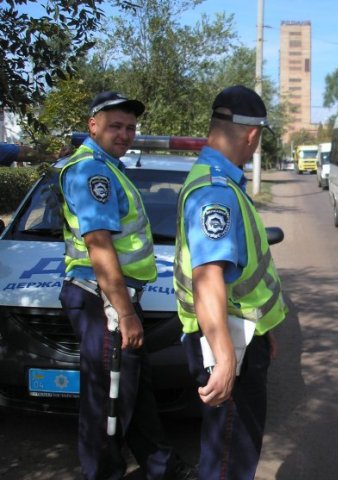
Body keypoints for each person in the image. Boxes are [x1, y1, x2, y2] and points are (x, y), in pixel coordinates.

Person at [58, 91, 196, 480]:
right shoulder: (91, 171)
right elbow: (99, 247)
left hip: (110, 301)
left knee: (134, 389)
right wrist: (125, 312)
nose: (125, 134)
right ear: (93, 125)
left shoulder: (109, 167)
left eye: (130, 127)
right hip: (102, 302)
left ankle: (161, 467)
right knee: (106, 400)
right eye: (115, 125)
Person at [174, 85, 288, 480]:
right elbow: (207, 277)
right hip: (228, 344)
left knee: (229, 450)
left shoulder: (220, 181)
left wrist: (263, 331)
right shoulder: (215, 192)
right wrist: (225, 357)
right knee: (229, 459)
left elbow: (238, 277)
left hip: (241, 335)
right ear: (253, 135)